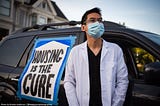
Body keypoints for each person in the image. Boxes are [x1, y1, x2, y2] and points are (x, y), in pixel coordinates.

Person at [64, 7, 129, 106]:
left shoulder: (115, 50)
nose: (97, 24)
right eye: (92, 20)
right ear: (83, 27)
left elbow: (122, 81)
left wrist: (116, 104)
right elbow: (69, 81)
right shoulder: (75, 52)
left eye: (99, 20)